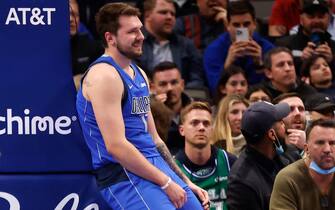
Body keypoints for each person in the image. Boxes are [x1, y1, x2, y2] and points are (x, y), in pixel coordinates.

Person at [76, 3, 209, 209]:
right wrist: (165, 182)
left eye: (140, 29)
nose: (141, 36)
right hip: (122, 172)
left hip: (152, 163)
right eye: (132, 31)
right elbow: (116, 146)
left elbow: (155, 139)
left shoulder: (140, 74)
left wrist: (185, 182)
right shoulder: (103, 76)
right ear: (110, 38)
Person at [227, 101, 292, 210]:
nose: (284, 126)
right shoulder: (241, 181)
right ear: (272, 134)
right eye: (280, 122)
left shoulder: (289, 157)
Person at [175, 101, 237, 210]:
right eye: (194, 123)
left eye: (206, 123)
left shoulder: (230, 161)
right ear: (182, 130)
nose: (201, 128)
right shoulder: (173, 169)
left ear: (212, 130)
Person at [203, 0, 274, 94]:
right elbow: (215, 89)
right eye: (236, 25)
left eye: (246, 24)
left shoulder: (268, 49)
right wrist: (227, 66)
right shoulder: (214, 50)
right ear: (227, 26)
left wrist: (259, 65)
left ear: (254, 24)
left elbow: (274, 88)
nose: (242, 30)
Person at [137, 0, 204, 88]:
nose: (169, 17)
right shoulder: (135, 43)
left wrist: (180, 93)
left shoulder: (186, 45)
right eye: (163, 12)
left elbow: (197, 80)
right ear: (147, 15)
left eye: (172, 14)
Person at [270, 119, 335, 210]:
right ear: (306, 148)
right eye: (320, 143)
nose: (327, 149)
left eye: (333, 143)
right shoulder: (289, 179)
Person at [276, 0, 335, 71]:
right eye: (311, 17)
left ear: (329, 19)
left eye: (321, 17)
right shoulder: (284, 45)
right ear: (301, 19)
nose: (316, 21)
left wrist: (332, 61)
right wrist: (301, 61)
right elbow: (281, 76)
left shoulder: (333, 46)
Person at [150, 61, 193, 155]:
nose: (169, 88)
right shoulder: (147, 114)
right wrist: (155, 110)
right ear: (152, 88)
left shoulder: (196, 109)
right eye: (163, 84)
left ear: (182, 84)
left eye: (174, 82)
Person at [70, 0, 103, 90]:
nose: (71, 19)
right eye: (66, 14)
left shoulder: (91, 46)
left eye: (75, 15)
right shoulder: (46, 48)